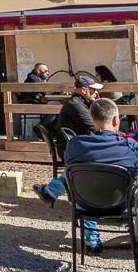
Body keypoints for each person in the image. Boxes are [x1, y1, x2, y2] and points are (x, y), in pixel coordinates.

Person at [61, 98, 138, 255]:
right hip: (121, 206)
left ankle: (91, 241)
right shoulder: (132, 146)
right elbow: (137, 176)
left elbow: (69, 171)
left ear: (92, 119)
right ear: (115, 120)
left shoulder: (75, 145)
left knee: (86, 184)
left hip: (85, 205)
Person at [33, 75, 104, 204]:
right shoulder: (76, 106)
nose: (96, 93)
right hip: (73, 150)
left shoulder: (81, 103)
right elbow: (95, 127)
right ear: (84, 90)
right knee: (89, 164)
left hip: (78, 147)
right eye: (93, 90)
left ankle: (50, 191)